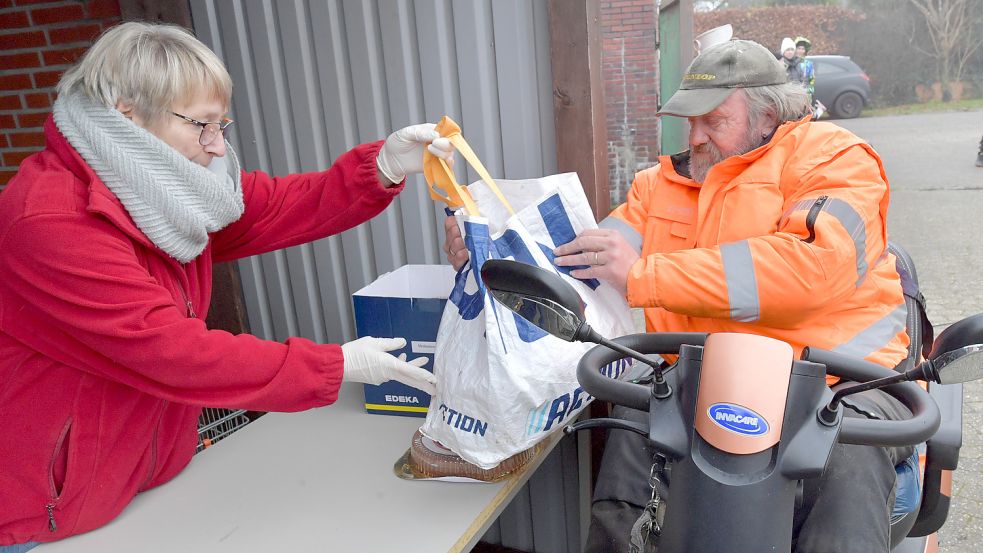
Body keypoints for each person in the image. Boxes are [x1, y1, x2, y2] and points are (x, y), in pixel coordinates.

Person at [445, 39, 912, 553]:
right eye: (689, 121)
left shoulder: (835, 160)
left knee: (848, 466)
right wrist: (488, 255)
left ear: (768, 116)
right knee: (630, 436)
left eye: (714, 121)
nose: (696, 136)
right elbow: (580, 266)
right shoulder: (659, 186)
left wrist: (646, 276)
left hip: (839, 379)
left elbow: (813, 269)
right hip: (698, 379)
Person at [0, 22, 453, 551]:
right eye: (201, 126)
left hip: (136, 478)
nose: (217, 148)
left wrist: (379, 167)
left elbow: (274, 206)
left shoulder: (161, 185)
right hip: (48, 505)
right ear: (127, 116)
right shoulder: (51, 221)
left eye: (223, 125)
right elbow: (166, 350)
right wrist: (335, 366)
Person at [795, 36, 816, 101]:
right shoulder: (791, 63)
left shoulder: (808, 64)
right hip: (793, 92)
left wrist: (809, 90)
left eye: (802, 49)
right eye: (799, 48)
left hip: (805, 92)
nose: (800, 51)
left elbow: (812, 78)